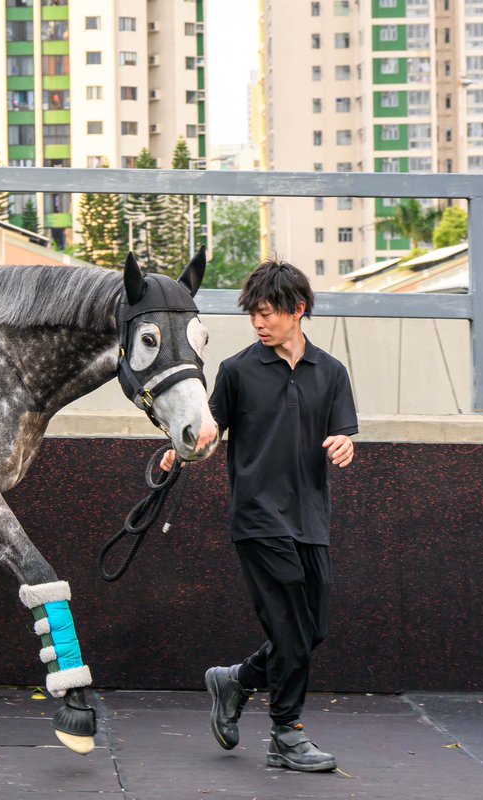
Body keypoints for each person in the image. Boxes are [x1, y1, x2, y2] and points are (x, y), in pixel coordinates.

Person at [162, 259, 357, 772]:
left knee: (310, 631)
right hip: (258, 518)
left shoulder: (332, 373)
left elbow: (341, 434)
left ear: (299, 310)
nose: (259, 323)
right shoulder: (238, 370)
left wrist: (343, 444)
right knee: (292, 632)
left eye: (268, 314)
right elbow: (209, 430)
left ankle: (237, 681)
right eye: (254, 315)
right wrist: (182, 448)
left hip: (311, 520)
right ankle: (286, 735)